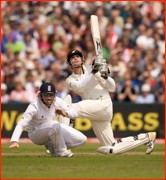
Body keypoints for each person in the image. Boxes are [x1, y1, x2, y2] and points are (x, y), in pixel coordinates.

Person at [62, 49, 156, 155]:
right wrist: (93, 72)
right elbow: (82, 86)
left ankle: (61, 146)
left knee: (67, 108)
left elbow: (112, 87)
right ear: (69, 63)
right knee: (112, 147)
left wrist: (106, 76)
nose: (75, 59)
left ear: (82, 59)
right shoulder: (70, 80)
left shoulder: (91, 69)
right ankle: (147, 137)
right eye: (72, 58)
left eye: (77, 56)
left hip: (103, 103)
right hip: (95, 111)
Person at [8, 82, 87, 157]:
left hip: (53, 128)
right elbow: (22, 123)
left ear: (54, 95)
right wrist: (15, 140)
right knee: (54, 125)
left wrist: (64, 113)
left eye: (51, 95)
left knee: (81, 139)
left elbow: (74, 113)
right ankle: (61, 152)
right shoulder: (34, 106)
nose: (49, 98)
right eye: (46, 95)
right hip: (35, 134)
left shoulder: (57, 101)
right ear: (40, 95)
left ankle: (53, 147)